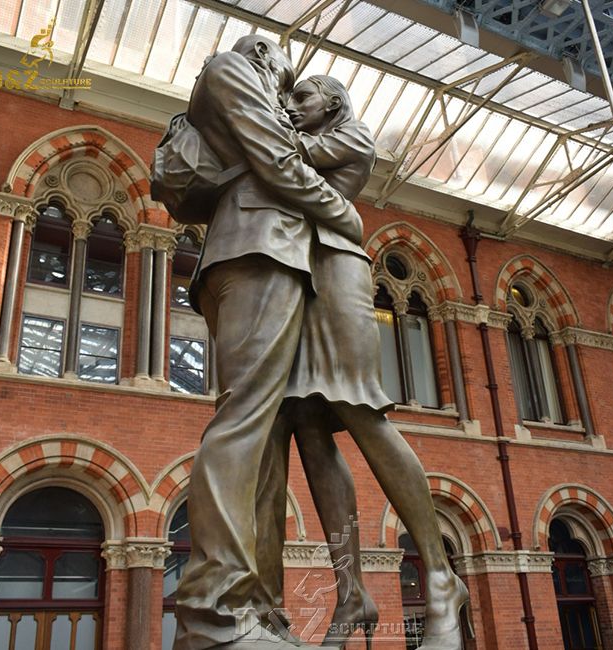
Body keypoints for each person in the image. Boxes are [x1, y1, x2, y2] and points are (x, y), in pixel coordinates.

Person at [255, 76, 470, 650]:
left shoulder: (352, 137)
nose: (292, 106)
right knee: (303, 425)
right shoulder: (311, 132)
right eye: (290, 99)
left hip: (337, 270)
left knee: (359, 406)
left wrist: (239, 100)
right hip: (294, 277)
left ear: (333, 102)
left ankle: (442, 579)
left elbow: (279, 154)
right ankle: (351, 590)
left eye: (303, 98)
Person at [174, 38, 364, 650]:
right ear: (268, 57)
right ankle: (217, 607)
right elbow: (279, 161)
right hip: (258, 249)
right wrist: (345, 216)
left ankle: (259, 609)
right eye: (289, 83)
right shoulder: (234, 71)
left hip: (261, 253)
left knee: (263, 443)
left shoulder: (244, 88)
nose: (288, 96)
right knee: (245, 423)